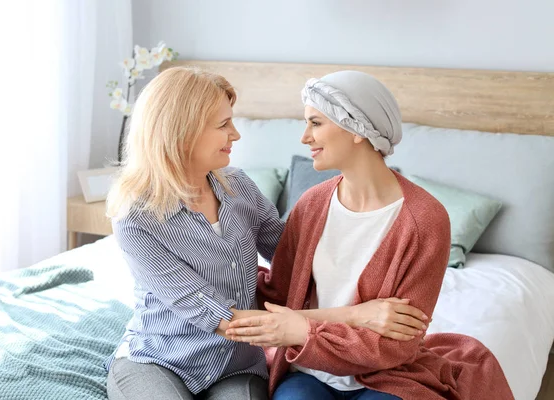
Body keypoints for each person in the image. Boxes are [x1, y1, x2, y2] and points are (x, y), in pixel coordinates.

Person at [104, 66, 429, 400]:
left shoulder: (239, 188)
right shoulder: (135, 218)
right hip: (160, 359)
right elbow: (223, 319)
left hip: (236, 365)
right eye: (223, 124)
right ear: (181, 131)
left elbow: (295, 259)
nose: (236, 134)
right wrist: (358, 315)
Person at [226, 71, 514, 400]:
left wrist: (302, 330)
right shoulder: (311, 205)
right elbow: (280, 294)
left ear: (356, 129)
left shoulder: (425, 220)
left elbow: (398, 344)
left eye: (316, 123)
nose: (305, 137)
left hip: (388, 375)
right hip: (307, 369)